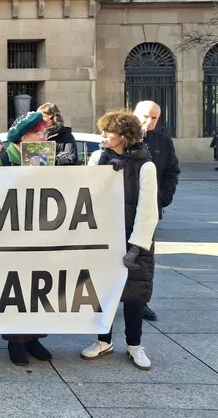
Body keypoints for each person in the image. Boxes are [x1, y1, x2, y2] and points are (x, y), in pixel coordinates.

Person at [81, 109, 158, 370]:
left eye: (108, 131)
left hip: (132, 239)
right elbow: (86, 194)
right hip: (103, 236)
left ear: (124, 136)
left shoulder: (145, 165)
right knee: (103, 292)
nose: (103, 135)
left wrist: (136, 246)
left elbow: (148, 209)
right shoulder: (96, 158)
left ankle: (134, 345)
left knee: (135, 294)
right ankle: (103, 340)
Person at [0, 111, 53, 366]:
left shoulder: (45, 160)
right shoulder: (1, 161)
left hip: (39, 232)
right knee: (14, 288)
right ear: (24, 136)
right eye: (39, 132)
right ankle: (16, 341)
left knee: (39, 287)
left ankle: (35, 337)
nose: (44, 137)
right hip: (10, 236)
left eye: (44, 132)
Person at [134, 100, 180, 322]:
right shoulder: (124, 138)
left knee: (144, 259)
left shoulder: (163, 142)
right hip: (121, 210)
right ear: (135, 115)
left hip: (149, 212)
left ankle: (141, 303)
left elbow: (172, 171)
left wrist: (164, 198)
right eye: (145, 116)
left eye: (153, 118)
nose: (148, 121)